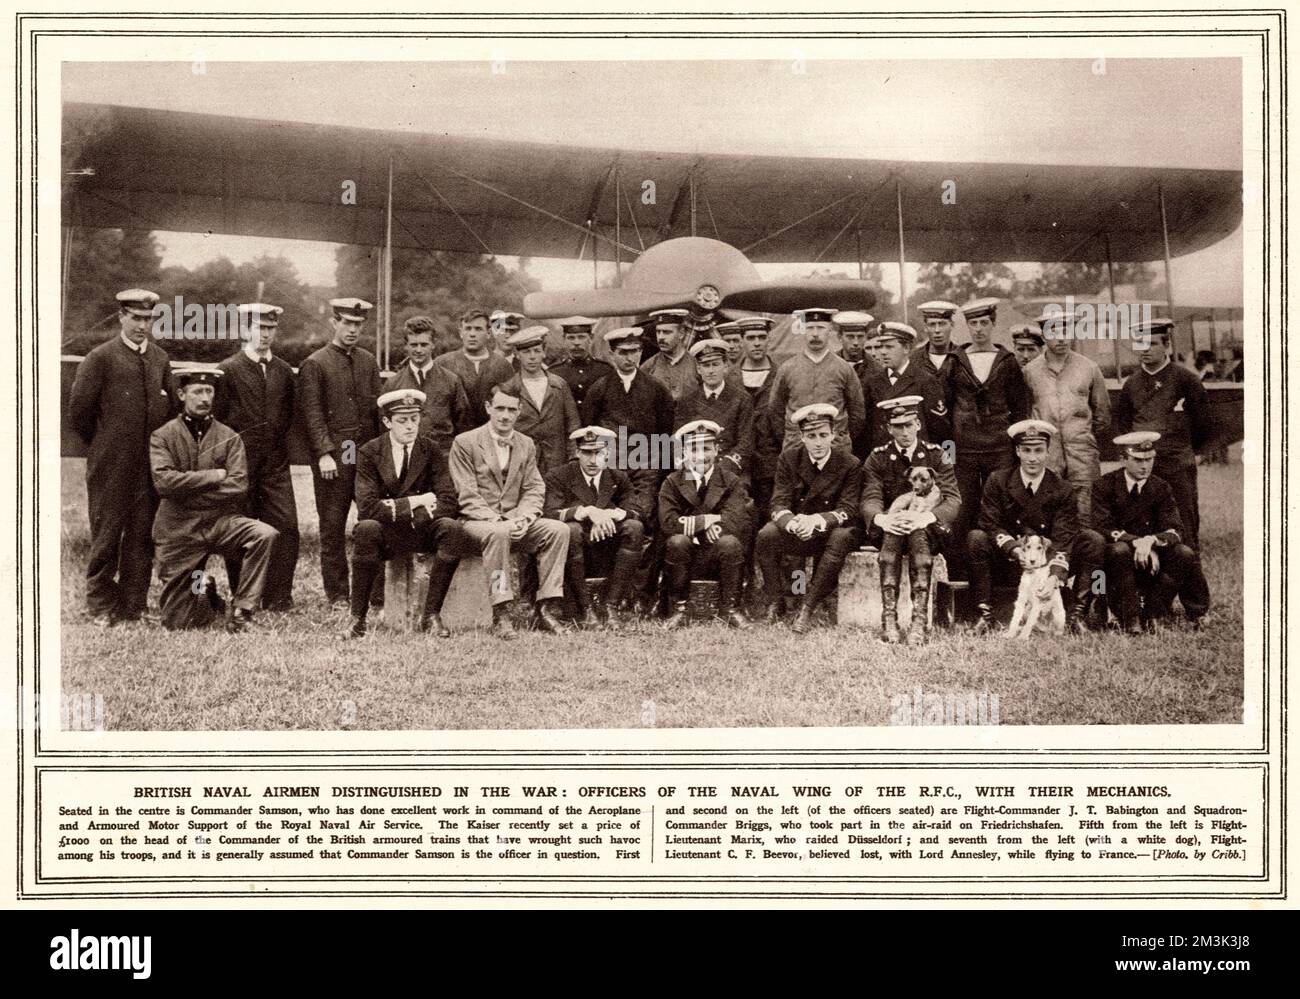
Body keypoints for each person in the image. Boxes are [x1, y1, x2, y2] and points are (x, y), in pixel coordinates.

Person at [68, 288, 175, 626]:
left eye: (148, 318)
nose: (143, 325)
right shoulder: (100, 357)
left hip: (148, 467)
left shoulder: (159, 358)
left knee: (143, 534)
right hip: (111, 465)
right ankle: (100, 604)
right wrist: (105, 444)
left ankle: (134, 603)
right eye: (136, 318)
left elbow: (169, 406)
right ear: (121, 317)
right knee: (107, 533)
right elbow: (79, 413)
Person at [149, 369, 278, 632]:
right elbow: (164, 483)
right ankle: (204, 586)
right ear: (182, 394)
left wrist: (187, 491)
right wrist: (214, 475)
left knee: (264, 534)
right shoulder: (162, 436)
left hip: (220, 523)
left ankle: (242, 612)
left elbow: (238, 486)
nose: (204, 397)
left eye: (209, 391)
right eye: (197, 391)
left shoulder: (229, 436)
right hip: (178, 530)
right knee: (180, 623)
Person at [447, 384, 571, 638]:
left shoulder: (526, 444)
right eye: (500, 408)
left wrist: (524, 517)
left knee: (558, 530)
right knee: (498, 534)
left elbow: (535, 487)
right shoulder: (465, 442)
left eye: (511, 410)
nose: (505, 415)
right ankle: (502, 610)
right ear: (488, 408)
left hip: (516, 521)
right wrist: (498, 520)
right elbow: (466, 493)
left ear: (519, 412)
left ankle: (546, 608)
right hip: (477, 522)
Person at [342, 389, 466, 639]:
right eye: (402, 420)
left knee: (452, 528)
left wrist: (409, 513)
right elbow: (367, 507)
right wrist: (416, 502)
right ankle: (358, 618)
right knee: (366, 528)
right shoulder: (369, 452)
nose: (410, 426)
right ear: (387, 422)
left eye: (414, 419)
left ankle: (431, 615)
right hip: (387, 534)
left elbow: (448, 500)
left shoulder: (430, 449)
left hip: (422, 530)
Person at [966, 419, 1104, 634]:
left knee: (1094, 540)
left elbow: (1063, 536)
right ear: (1017, 451)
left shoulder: (1062, 489)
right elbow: (989, 523)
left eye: (1039, 450)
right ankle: (984, 614)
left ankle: (1077, 615)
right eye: (1026, 450)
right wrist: (1014, 548)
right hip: (1010, 560)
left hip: (1045, 562)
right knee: (976, 538)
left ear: (1048, 452)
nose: (1032, 457)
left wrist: (1055, 574)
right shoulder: (998, 481)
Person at [296, 296, 383, 606]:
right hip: (336, 455)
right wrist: (323, 453)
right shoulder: (316, 363)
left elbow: (377, 411)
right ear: (333, 323)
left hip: (365, 455)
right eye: (346, 322)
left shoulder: (368, 361)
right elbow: (311, 413)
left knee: (373, 523)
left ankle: (375, 592)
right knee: (332, 527)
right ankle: (338, 595)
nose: (352, 329)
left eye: (358, 324)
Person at [215, 302, 299, 611]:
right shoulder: (229, 369)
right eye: (259, 328)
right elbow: (219, 420)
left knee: (286, 527)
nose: (265, 334)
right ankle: (243, 594)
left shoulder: (283, 371)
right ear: (246, 330)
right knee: (239, 528)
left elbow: (289, 415)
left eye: (270, 328)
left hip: (275, 464)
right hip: (240, 464)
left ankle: (278, 597)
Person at [859, 396, 961, 644]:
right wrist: (882, 519)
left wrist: (926, 517)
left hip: (927, 530)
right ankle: (889, 621)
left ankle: (918, 622)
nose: (904, 432)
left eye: (909, 424)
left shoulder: (938, 454)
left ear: (918, 424)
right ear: (888, 428)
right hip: (891, 530)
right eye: (898, 426)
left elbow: (952, 499)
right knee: (893, 533)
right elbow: (870, 496)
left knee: (918, 534)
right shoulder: (878, 457)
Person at [755, 404, 862, 635]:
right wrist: (793, 523)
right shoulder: (789, 459)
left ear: (833, 434)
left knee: (843, 536)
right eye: (811, 436)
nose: (818, 442)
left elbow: (849, 507)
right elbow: (778, 502)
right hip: (798, 529)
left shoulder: (849, 463)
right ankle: (777, 600)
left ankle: (808, 606)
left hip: (829, 531)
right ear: (802, 437)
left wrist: (818, 520)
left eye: (823, 435)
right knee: (767, 535)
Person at [1091, 431, 1210, 632]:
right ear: (1123, 459)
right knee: (1118, 550)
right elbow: (1101, 527)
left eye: (1149, 459)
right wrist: (1137, 542)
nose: (1145, 466)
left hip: (1151, 560)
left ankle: (1155, 613)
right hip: (1115, 564)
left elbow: (1175, 529)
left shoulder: (1161, 487)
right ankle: (1128, 616)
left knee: (1184, 553)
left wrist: (1151, 542)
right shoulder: (1104, 485)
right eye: (1137, 460)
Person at [1112, 318, 1214, 549]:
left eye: (1151, 344)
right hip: (1142, 462)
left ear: (1166, 345)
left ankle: (1188, 564)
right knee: (1142, 516)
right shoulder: (1132, 383)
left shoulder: (1186, 379)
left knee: (1183, 515)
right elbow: (1124, 423)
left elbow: (1204, 422)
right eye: (1139, 344)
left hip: (1176, 461)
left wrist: (1189, 451)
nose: (1145, 350)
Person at [949, 297, 1030, 573]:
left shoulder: (1007, 361)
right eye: (974, 323)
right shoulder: (956, 360)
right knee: (963, 509)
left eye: (984, 322)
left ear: (993, 324)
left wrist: (1018, 449)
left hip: (1000, 447)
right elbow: (946, 410)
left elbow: (1020, 409)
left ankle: (1005, 573)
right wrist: (951, 451)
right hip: (965, 448)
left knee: (1003, 506)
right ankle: (962, 574)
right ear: (967, 326)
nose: (979, 329)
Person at [543, 426, 648, 630]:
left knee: (634, 528)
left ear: (607, 453)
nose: (593, 460)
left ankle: (611, 606)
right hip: (574, 550)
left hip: (606, 550)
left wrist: (610, 513)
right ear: (577, 453)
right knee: (570, 530)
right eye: (587, 453)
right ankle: (586, 609)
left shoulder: (618, 478)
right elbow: (549, 512)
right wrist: (585, 511)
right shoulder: (559, 476)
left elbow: (637, 511)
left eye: (599, 453)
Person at [658, 420, 753, 630]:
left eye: (706, 448)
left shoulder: (731, 480)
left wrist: (696, 527)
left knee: (730, 542)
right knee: (677, 541)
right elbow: (668, 523)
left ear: (717, 450)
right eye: (694, 449)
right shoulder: (672, 482)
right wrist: (708, 521)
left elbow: (737, 521)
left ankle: (730, 609)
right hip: (684, 558)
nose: (701, 456)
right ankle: (679, 609)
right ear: (684, 451)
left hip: (717, 555)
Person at [1022, 310, 1111, 522]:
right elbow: (1025, 414)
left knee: (1085, 512)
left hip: (1082, 453)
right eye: (1054, 332)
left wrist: (1084, 439)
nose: (1061, 338)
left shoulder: (1089, 368)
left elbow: (1102, 412)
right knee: (1048, 512)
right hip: (1046, 454)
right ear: (1043, 336)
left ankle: (1085, 553)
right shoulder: (1030, 372)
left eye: (1066, 331)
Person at [767, 307, 867, 452]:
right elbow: (775, 410)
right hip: (797, 449)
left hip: (835, 450)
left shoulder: (844, 368)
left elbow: (857, 413)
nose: (815, 334)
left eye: (820, 328)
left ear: (830, 331)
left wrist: (839, 436)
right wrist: (793, 437)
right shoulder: (787, 368)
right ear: (803, 331)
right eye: (810, 328)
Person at [383, 316, 472, 456]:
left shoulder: (451, 380)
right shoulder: (393, 384)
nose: (419, 350)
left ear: (433, 344)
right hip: (406, 459)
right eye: (414, 344)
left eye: (424, 344)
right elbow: (385, 427)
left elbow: (464, 424)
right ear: (406, 346)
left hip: (442, 457)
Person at [499, 325, 581, 475]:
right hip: (523, 462)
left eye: (537, 351)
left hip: (557, 461)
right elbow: (502, 428)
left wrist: (573, 457)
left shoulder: (558, 385)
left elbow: (572, 423)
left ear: (544, 352)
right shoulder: (509, 389)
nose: (532, 357)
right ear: (517, 354)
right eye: (526, 352)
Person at [859, 321, 949, 452]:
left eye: (889, 347)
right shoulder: (871, 382)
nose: (883, 352)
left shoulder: (925, 381)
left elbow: (942, 430)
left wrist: (946, 465)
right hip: (884, 460)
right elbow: (866, 429)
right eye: (881, 346)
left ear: (906, 348)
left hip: (919, 460)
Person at [674, 338, 755, 483]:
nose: (711, 371)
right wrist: (691, 468)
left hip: (730, 467)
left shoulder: (742, 399)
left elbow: (746, 442)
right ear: (698, 369)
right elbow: (678, 441)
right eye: (705, 365)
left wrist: (722, 469)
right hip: (695, 466)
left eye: (715, 364)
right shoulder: (686, 401)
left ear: (725, 366)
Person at [435, 307, 516, 418]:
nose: (472, 334)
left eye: (478, 329)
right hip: (453, 432)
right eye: (468, 328)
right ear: (460, 333)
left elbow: (511, 403)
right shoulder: (443, 363)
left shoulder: (502, 365)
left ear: (488, 333)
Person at [550, 316, 614, 409]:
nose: (576, 343)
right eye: (571, 338)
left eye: (581, 337)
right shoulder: (554, 372)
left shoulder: (605, 370)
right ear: (564, 339)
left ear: (591, 338)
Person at [640, 308, 699, 403]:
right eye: (658, 332)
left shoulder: (696, 364)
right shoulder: (648, 367)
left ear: (681, 333)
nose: (660, 337)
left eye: (667, 332)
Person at [912, 300, 962, 381]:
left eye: (942, 324)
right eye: (932, 324)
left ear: (952, 325)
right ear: (925, 327)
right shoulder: (913, 359)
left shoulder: (963, 357)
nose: (937, 330)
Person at [832, 310, 879, 381]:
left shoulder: (876, 369)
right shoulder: (829, 364)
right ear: (840, 337)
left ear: (866, 337)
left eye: (860, 336)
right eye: (850, 337)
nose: (856, 342)